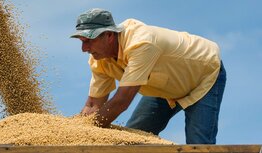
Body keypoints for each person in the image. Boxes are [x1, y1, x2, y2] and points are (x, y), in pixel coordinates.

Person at [71, 8, 226, 144]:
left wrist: (89, 131)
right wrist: (78, 130)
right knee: (133, 140)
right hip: (164, 87)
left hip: (203, 75)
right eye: (81, 41)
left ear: (109, 35)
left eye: (89, 41)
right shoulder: (99, 60)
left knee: (198, 145)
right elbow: (93, 105)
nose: (84, 49)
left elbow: (121, 101)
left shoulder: (141, 43)